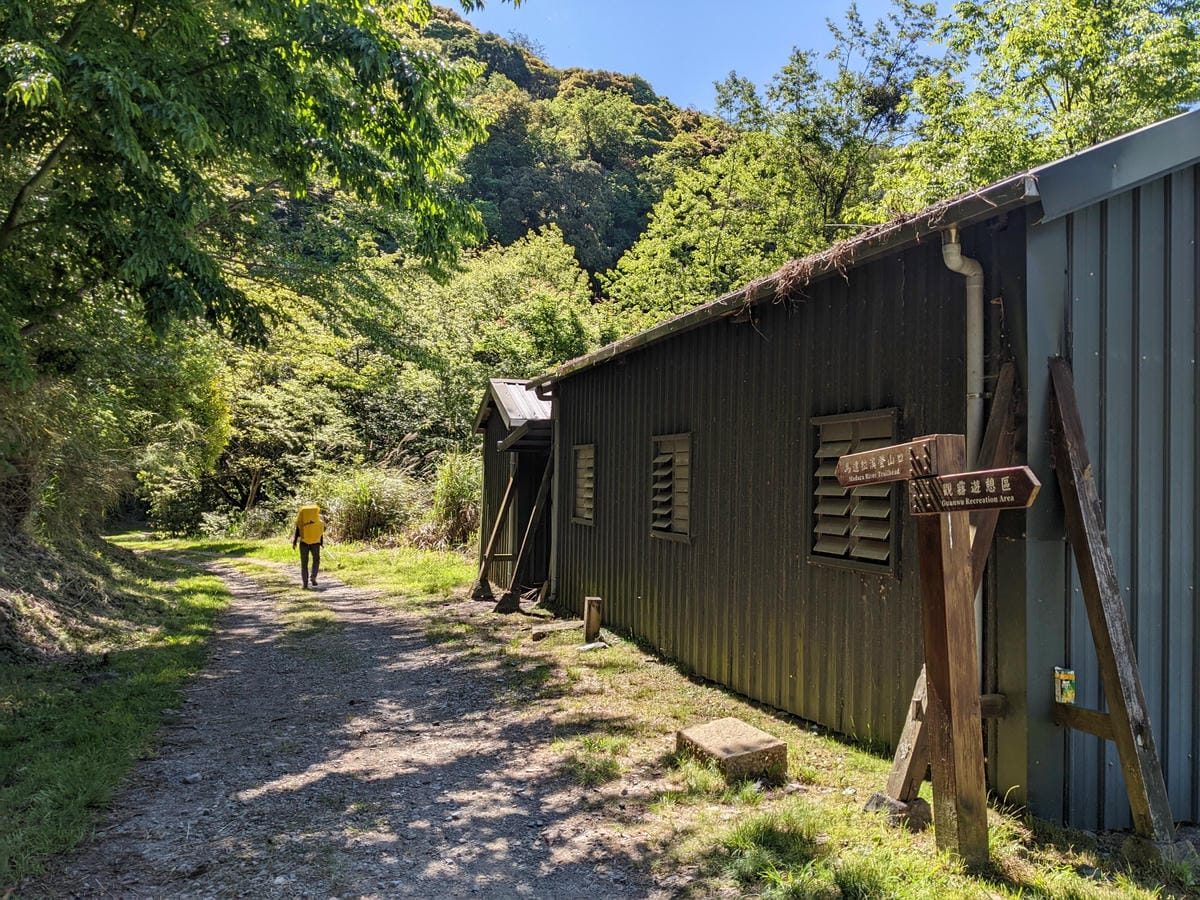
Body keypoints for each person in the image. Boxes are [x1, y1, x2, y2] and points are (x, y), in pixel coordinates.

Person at [292, 503, 325, 589]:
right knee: (316, 560)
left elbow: (297, 531)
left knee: (304, 563)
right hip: (315, 543)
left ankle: (305, 583)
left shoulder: (302, 521)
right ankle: (313, 576)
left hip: (304, 543)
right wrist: (321, 542)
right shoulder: (319, 521)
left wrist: (295, 542)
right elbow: (321, 533)